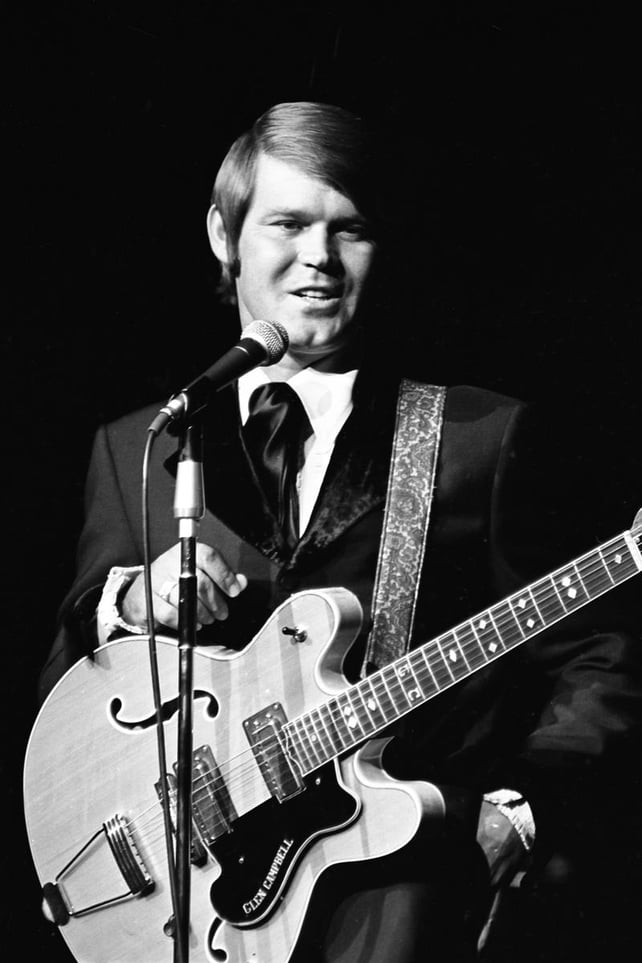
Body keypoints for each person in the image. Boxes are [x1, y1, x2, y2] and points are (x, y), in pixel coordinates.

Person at [38, 101, 642, 962]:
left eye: (349, 228)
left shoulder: (480, 438)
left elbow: (600, 653)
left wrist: (524, 809)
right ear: (224, 233)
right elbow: (71, 680)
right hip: (190, 902)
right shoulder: (143, 445)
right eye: (288, 223)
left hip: (398, 896)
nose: (318, 258)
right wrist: (130, 601)